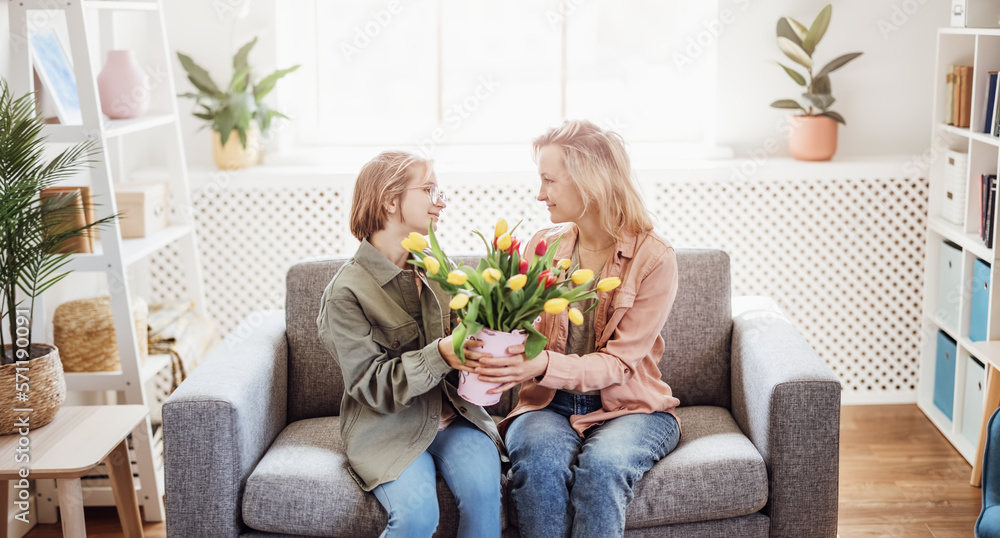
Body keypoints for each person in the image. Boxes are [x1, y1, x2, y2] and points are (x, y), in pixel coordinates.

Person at [475, 120, 682, 538]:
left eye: (549, 180)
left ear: (589, 182)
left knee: (603, 470)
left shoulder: (655, 259)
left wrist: (539, 364)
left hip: (630, 408)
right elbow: (525, 322)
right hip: (549, 405)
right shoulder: (544, 245)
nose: (539, 194)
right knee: (537, 466)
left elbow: (620, 364)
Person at [316, 151, 505, 538]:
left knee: (486, 495)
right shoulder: (345, 293)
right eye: (430, 189)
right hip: (388, 428)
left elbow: (466, 335)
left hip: (456, 419)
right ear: (390, 200)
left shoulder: (438, 267)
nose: (442, 201)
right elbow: (372, 386)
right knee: (418, 518)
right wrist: (439, 355)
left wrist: (498, 329)